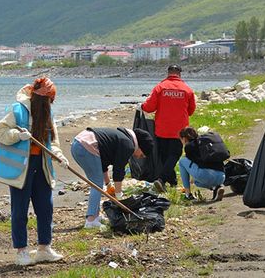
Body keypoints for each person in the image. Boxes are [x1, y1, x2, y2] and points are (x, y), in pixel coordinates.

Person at [0, 77, 68, 266]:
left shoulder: (48, 113)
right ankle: (21, 251)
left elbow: (53, 142)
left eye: (51, 101)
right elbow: (0, 132)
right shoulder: (17, 109)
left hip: (42, 164)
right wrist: (18, 135)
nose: (49, 104)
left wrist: (59, 156)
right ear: (38, 97)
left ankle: (44, 248)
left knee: (45, 207)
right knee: (19, 209)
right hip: (21, 167)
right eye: (47, 100)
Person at [70, 127, 154, 228]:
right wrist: (118, 196)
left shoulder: (122, 137)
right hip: (85, 146)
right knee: (96, 185)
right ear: (140, 147)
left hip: (78, 144)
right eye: (141, 155)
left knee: (96, 183)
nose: (139, 157)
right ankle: (91, 220)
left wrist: (108, 185)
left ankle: (95, 216)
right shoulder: (128, 145)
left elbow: (102, 163)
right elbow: (118, 171)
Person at [141, 64, 196, 193]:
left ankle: (166, 181)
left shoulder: (160, 87)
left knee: (165, 156)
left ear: (168, 73)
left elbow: (149, 107)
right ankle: (166, 181)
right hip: (179, 131)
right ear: (180, 74)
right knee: (174, 155)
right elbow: (191, 110)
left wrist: (142, 106)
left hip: (162, 129)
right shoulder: (187, 89)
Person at [178, 127, 225, 201]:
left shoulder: (189, 146)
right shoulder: (205, 143)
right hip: (221, 176)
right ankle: (217, 187)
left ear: (184, 139)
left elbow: (191, 163)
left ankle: (188, 194)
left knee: (182, 161)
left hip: (205, 175)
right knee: (196, 182)